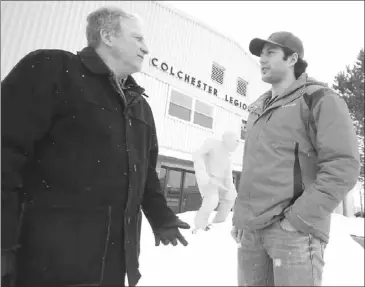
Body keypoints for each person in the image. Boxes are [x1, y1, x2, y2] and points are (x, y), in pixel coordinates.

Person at [1, 6, 190, 287]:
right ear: (107, 36)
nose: (146, 49)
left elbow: (144, 174)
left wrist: (161, 216)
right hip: (46, 261)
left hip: (113, 263)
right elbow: (7, 150)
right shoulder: (53, 69)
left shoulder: (140, 106)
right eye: (138, 39)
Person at [231, 31, 361, 286]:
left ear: (292, 59)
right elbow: (254, 169)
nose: (262, 60)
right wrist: (241, 216)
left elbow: (343, 166)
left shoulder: (319, 99)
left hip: (294, 235)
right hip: (252, 232)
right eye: (261, 54)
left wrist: (296, 220)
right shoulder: (258, 110)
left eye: (270, 53)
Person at [192, 131, 239, 233]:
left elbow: (228, 175)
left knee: (230, 197)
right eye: (236, 141)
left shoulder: (228, 156)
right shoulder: (213, 144)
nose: (237, 144)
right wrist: (202, 173)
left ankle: (218, 224)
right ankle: (200, 224)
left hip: (221, 181)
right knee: (212, 200)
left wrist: (230, 187)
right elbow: (198, 155)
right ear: (228, 139)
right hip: (209, 178)